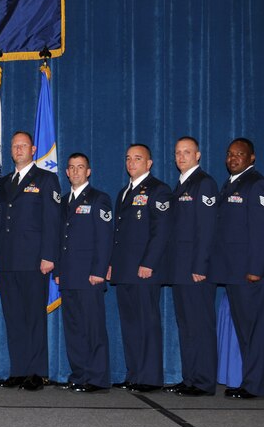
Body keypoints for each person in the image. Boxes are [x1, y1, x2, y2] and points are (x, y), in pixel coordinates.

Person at [208, 138, 264, 399]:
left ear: (252, 158)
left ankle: (257, 385)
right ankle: (250, 381)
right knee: (245, 330)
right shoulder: (231, 184)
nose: (233, 158)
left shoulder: (256, 185)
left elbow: (263, 230)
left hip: (250, 273)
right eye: (229, 154)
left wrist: (256, 268)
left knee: (255, 330)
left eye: (240, 154)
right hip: (233, 271)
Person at [0, 131, 61, 391]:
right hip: (9, 260)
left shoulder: (46, 179)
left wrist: (48, 256)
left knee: (34, 316)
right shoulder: (4, 182)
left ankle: (36, 371)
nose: (18, 149)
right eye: (14, 146)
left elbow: (52, 221)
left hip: (35, 261)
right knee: (14, 317)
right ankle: (19, 370)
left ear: (33, 150)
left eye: (23, 145)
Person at [107, 144, 172, 392]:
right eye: (128, 158)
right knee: (130, 324)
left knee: (147, 322)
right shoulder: (124, 192)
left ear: (149, 163)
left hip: (144, 270)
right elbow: (118, 234)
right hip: (124, 270)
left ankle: (150, 377)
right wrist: (112, 263)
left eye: (137, 158)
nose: (131, 162)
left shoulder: (159, 190)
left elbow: (161, 231)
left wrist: (149, 263)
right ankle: (134, 373)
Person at [163, 137, 218, 397]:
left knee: (200, 326)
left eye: (187, 152)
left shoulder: (203, 183)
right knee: (186, 326)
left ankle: (204, 381)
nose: (181, 157)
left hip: (196, 270)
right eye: (178, 153)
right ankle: (190, 377)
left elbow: (206, 230)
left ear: (198, 155)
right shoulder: (181, 185)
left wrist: (201, 265)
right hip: (180, 269)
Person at [54, 153, 113, 393]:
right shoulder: (63, 201)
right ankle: (79, 374)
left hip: (90, 275)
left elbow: (105, 238)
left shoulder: (99, 199)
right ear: (66, 173)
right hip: (68, 275)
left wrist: (99, 270)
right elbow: (58, 240)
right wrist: (57, 270)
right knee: (74, 328)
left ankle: (97, 378)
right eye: (72, 168)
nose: (76, 171)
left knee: (93, 327)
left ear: (88, 171)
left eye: (81, 167)